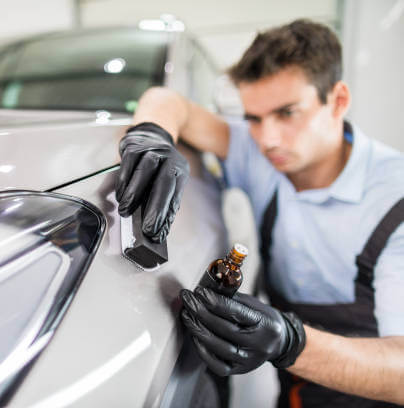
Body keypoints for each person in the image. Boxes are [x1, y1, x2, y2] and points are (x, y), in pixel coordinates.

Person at [116, 19, 404, 407]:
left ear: (337, 101)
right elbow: (168, 102)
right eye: (253, 118)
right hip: (297, 388)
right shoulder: (262, 156)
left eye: (288, 113)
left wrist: (291, 342)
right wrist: (152, 133)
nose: (267, 139)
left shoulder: (393, 200)